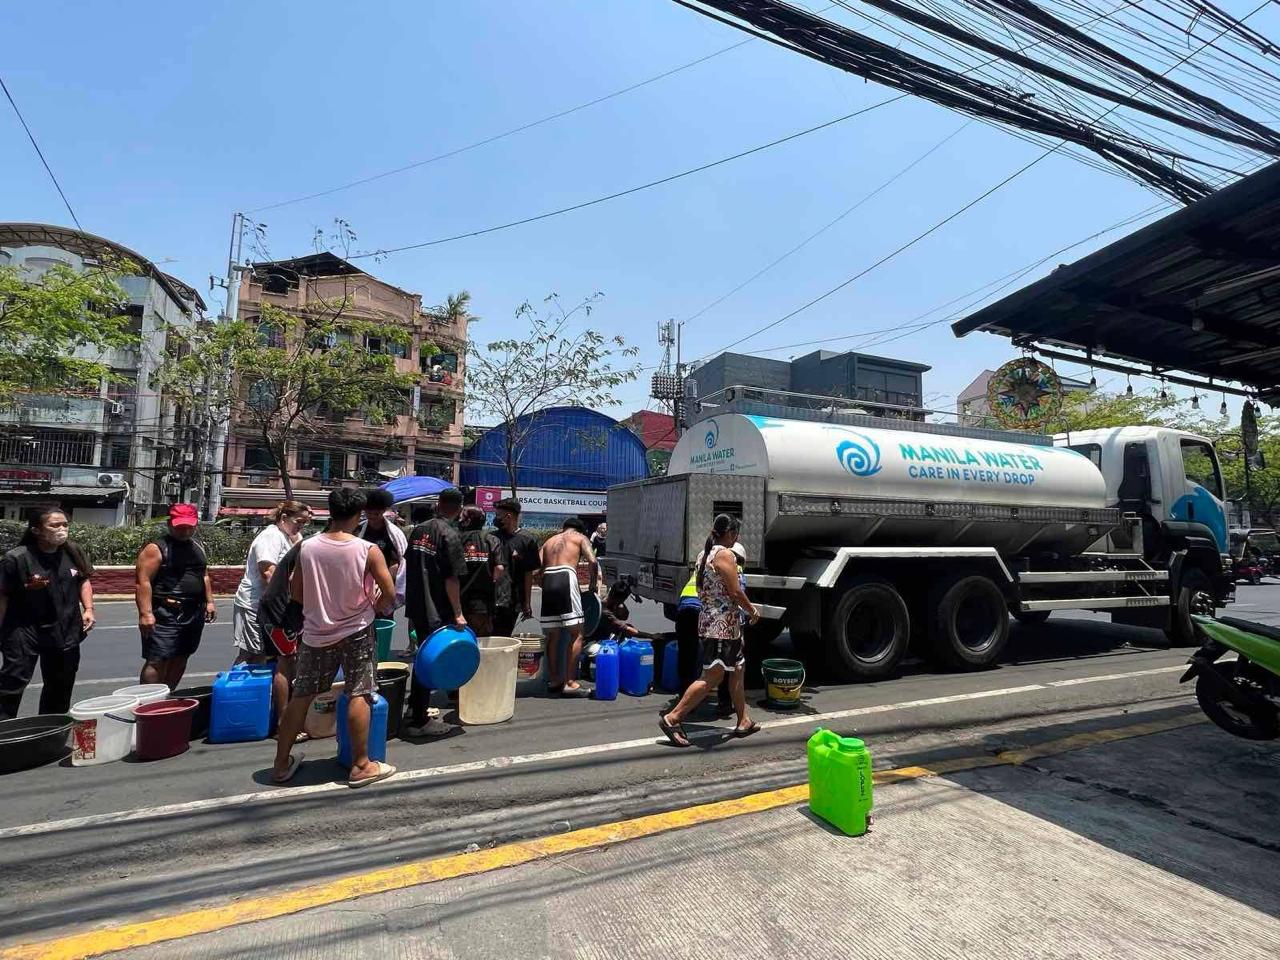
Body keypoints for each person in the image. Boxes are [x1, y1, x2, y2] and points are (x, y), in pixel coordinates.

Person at [272, 487, 397, 787]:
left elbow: (297, 592)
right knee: (359, 692)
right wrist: (373, 604)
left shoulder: (308, 547)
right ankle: (361, 765)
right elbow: (389, 594)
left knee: (301, 695)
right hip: (357, 630)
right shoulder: (367, 550)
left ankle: (279, 764)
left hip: (316, 632)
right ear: (357, 514)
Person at [659, 514, 760, 747]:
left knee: (738, 668)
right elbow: (735, 592)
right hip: (720, 625)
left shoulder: (704, 554)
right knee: (713, 675)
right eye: (736, 534)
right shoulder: (724, 554)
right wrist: (752, 611)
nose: (737, 538)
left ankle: (743, 719)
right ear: (731, 534)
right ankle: (672, 718)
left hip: (723, 624)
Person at [0, 509, 95, 720]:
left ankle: (49, 734)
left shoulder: (73, 551)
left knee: (60, 685)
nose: (62, 530)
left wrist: (88, 609)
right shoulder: (17, 558)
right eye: (54, 525)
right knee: (12, 683)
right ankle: (4, 732)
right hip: (23, 630)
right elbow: (3, 595)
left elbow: (83, 579)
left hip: (65, 628)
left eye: (65, 524)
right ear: (36, 530)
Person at [232, 501, 310, 727]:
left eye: (305, 523)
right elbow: (268, 573)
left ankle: (259, 704)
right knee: (253, 654)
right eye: (298, 522)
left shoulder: (286, 536)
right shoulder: (271, 537)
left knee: (271, 655)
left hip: (272, 606)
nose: (301, 527)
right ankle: (240, 698)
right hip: (255, 603)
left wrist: (296, 537)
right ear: (284, 516)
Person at [403, 487, 468, 736]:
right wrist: (459, 613)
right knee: (431, 662)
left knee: (422, 657)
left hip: (418, 604)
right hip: (437, 609)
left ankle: (414, 709)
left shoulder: (419, 529)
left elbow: (411, 563)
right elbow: (452, 579)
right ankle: (419, 721)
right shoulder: (449, 535)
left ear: (439, 503)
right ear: (459, 508)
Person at [135, 504, 215, 689]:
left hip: (193, 613)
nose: (185, 531)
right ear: (170, 523)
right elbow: (143, 581)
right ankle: (148, 702)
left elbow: (203, 575)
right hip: (166, 613)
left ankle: (167, 697)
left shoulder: (197, 546)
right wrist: (146, 613)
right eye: (180, 527)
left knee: (182, 655)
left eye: (189, 527)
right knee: (157, 660)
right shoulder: (156, 548)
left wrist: (210, 601)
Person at [539, 517, 597, 697]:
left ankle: (555, 679)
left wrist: (545, 585)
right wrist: (593, 585)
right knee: (577, 633)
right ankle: (570, 683)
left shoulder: (549, 541)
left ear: (563, 528)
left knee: (553, 635)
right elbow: (593, 562)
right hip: (566, 576)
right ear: (579, 530)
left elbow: (535, 569)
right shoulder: (579, 538)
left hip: (548, 578)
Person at [491, 498, 540, 637]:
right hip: (491, 598)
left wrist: (527, 603)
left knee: (504, 636)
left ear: (508, 516)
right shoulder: (491, 537)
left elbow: (528, 573)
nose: (496, 519)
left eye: (498, 515)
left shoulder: (527, 539)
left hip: (512, 600)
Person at [359, 488, 407, 615]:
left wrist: (383, 585)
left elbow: (397, 563)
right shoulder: (359, 531)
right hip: (362, 584)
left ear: (383, 511)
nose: (372, 517)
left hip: (384, 584)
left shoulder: (393, 534)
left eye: (376, 514)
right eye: (369, 514)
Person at [457, 506, 500, 638]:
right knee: (481, 641)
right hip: (483, 603)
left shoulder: (455, 538)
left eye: (461, 517)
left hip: (457, 601)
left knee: (460, 640)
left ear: (468, 520)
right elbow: (499, 568)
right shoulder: (491, 539)